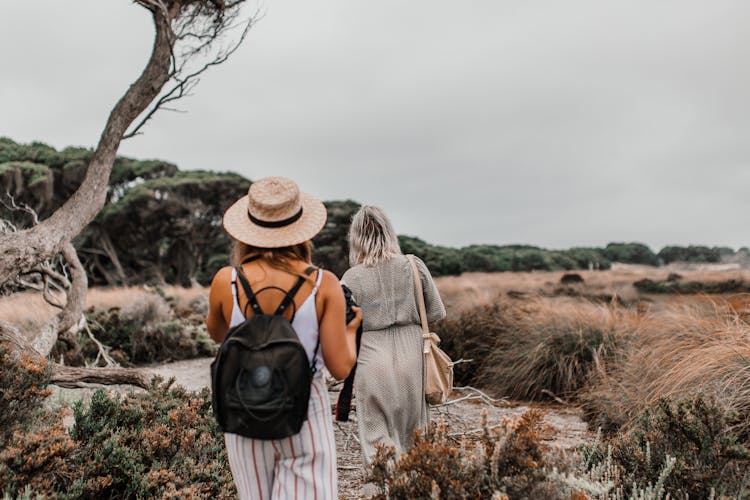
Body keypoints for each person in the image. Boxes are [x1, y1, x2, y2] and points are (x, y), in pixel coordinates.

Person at [206, 176, 361, 500]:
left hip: (245, 407)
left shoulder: (226, 281)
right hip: (306, 409)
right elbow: (340, 368)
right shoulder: (324, 284)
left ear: (247, 232)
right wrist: (349, 330)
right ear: (301, 231)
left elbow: (220, 334)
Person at [341, 206, 446, 465]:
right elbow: (436, 312)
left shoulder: (351, 278)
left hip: (371, 353)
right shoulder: (413, 265)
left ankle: (387, 486)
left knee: (376, 433)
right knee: (415, 432)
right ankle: (413, 486)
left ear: (355, 238)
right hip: (414, 354)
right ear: (389, 232)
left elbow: (344, 323)